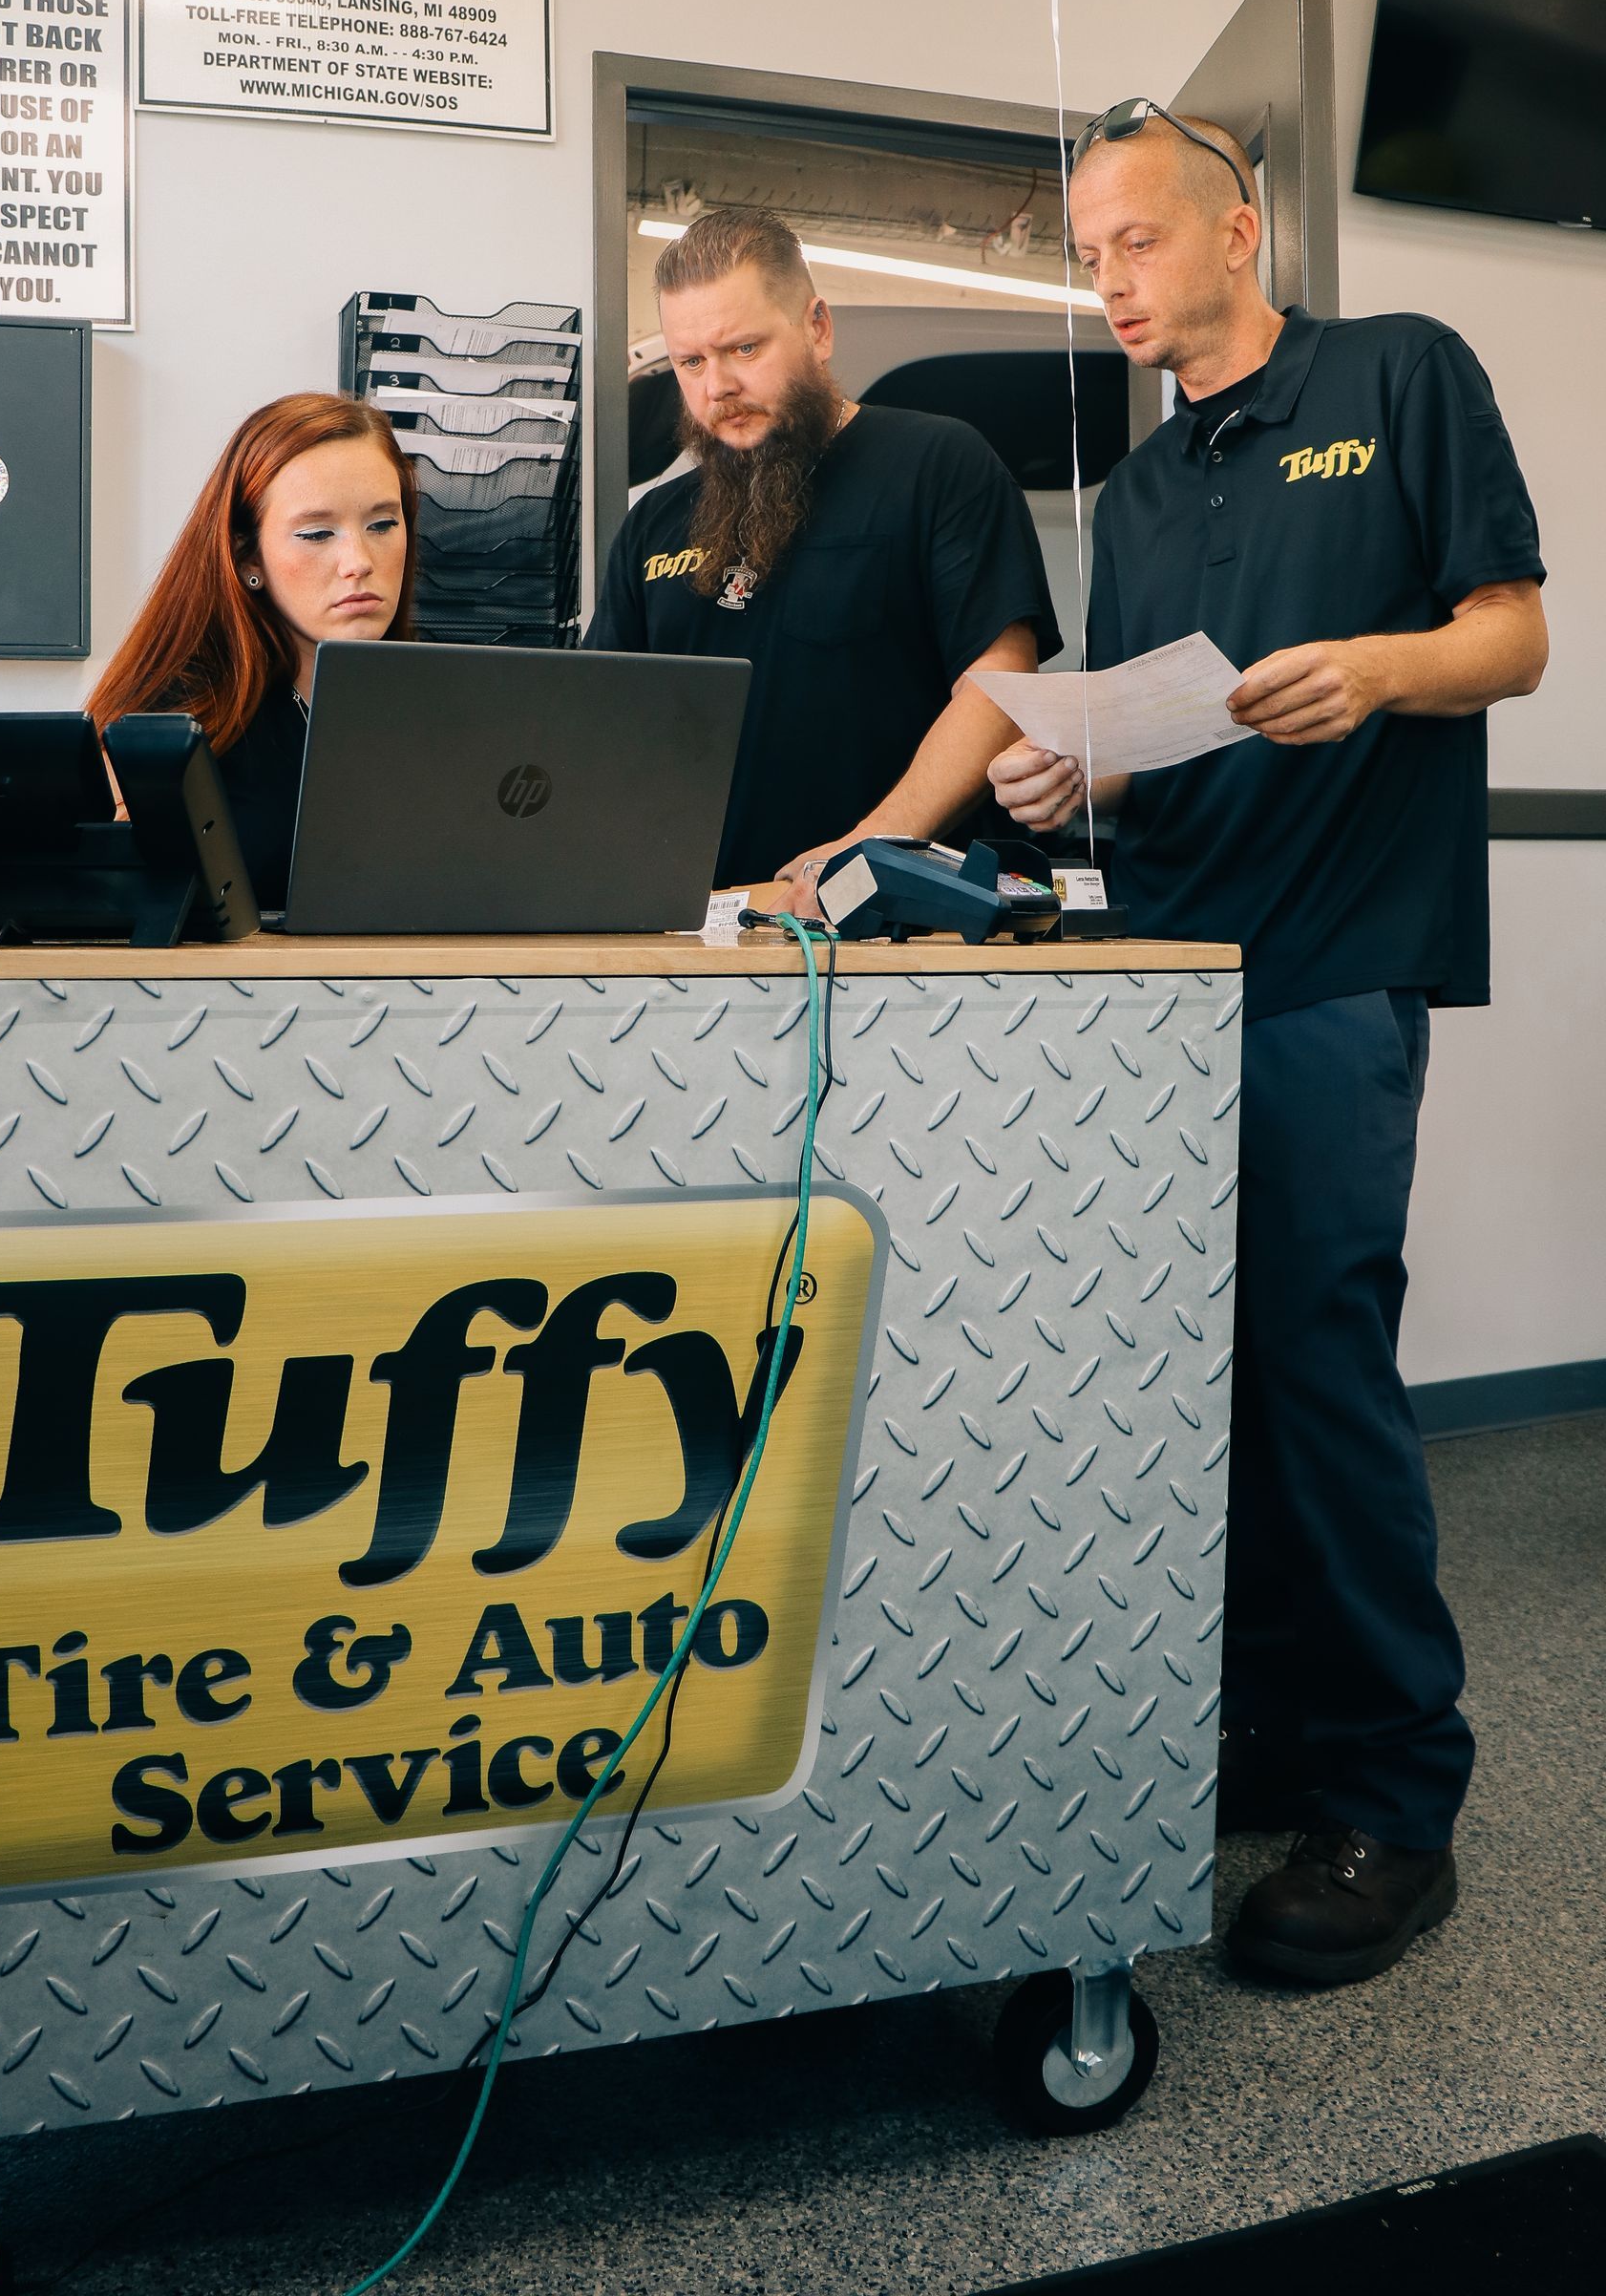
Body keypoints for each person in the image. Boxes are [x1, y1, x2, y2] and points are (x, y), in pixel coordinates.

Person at [992, 102, 1548, 1988]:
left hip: (1334, 958)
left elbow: (1516, 636)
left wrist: (1382, 666)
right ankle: (1271, 1730)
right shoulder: (1142, 492)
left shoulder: (1400, 376)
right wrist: (1067, 759)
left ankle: (1399, 1791)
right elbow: (1154, 728)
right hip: (1162, 965)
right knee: (1193, 1377)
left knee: (1316, 1356)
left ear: (1237, 232)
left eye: (1135, 242)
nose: (1111, 282)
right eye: (1086, 256)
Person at [587, 205, 1062, 901]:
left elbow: (999, 685)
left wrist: (865, 853)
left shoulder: (936, 465)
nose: (716, 386)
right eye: (691, 361)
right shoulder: (654, 525)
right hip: (710, 930)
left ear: (817, 327)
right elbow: (604, 726)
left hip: (899, 925)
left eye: (744, 349)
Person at [0, 392, 417, 911]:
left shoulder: (442, 711)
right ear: (248, 559)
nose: (358, 561)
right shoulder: (181, 723)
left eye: (383, 524)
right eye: (317, 534)